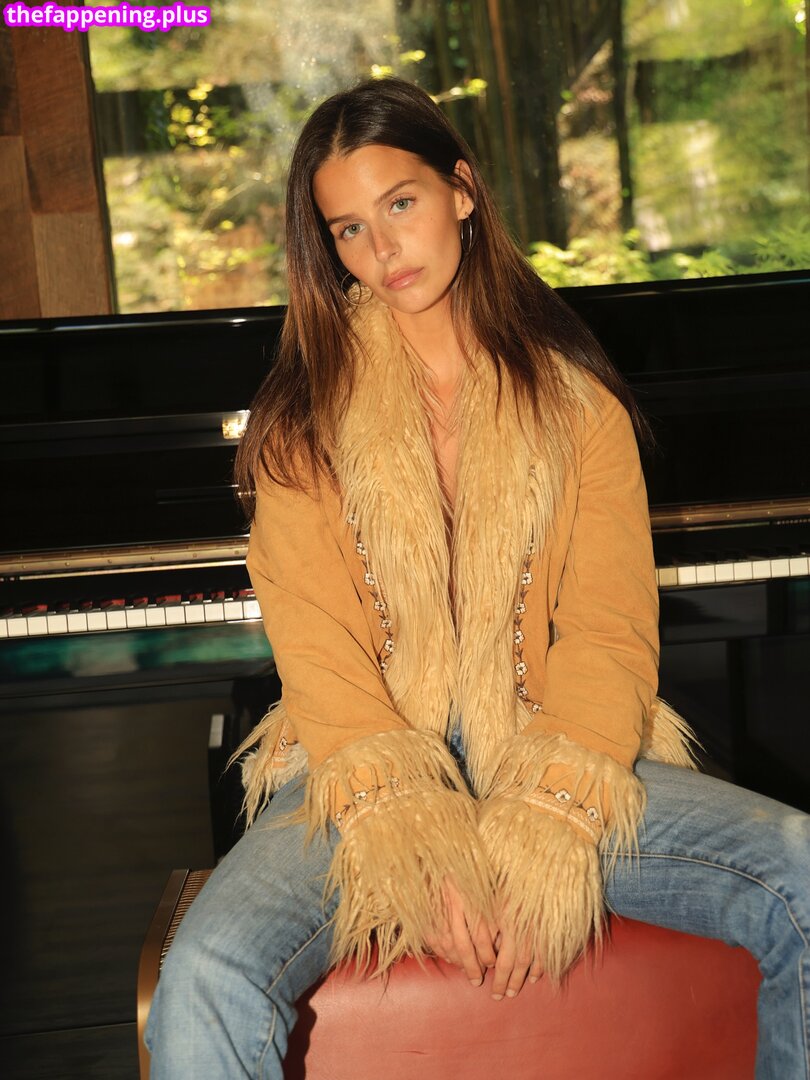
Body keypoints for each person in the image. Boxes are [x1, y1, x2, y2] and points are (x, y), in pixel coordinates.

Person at [145, 76, 810, 1079]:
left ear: (460, 190)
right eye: (349, 229)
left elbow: (610, 630)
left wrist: (545, 818)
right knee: (204, 971)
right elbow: (318, 653)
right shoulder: (301, 419)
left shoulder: (578, 405)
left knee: (801, 871)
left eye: (400, 204)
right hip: (362, 770)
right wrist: (413, 843)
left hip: (555, 748)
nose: (383, 249)